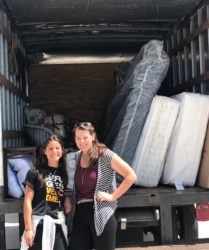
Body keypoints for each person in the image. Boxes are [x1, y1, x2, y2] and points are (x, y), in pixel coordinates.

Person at [68, 122, 137, 250]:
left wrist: (112, 196)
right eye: (78, 138)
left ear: (93, 136)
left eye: (85, 138)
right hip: (80, 212)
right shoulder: (77, 156)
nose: (81, 141)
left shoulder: (104, 154)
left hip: (101, 211)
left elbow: (131, 175)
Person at [21, 135, 72, 250]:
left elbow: (60, 192)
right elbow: (27, 201)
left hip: (58, 221)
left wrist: (66, 197)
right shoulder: (34, 172)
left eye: (57, 148)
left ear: (62, 151)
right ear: (44, 151)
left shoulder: (63, 172)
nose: (54, 151)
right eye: (50, 148)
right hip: (39, 223)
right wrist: (28, 228)